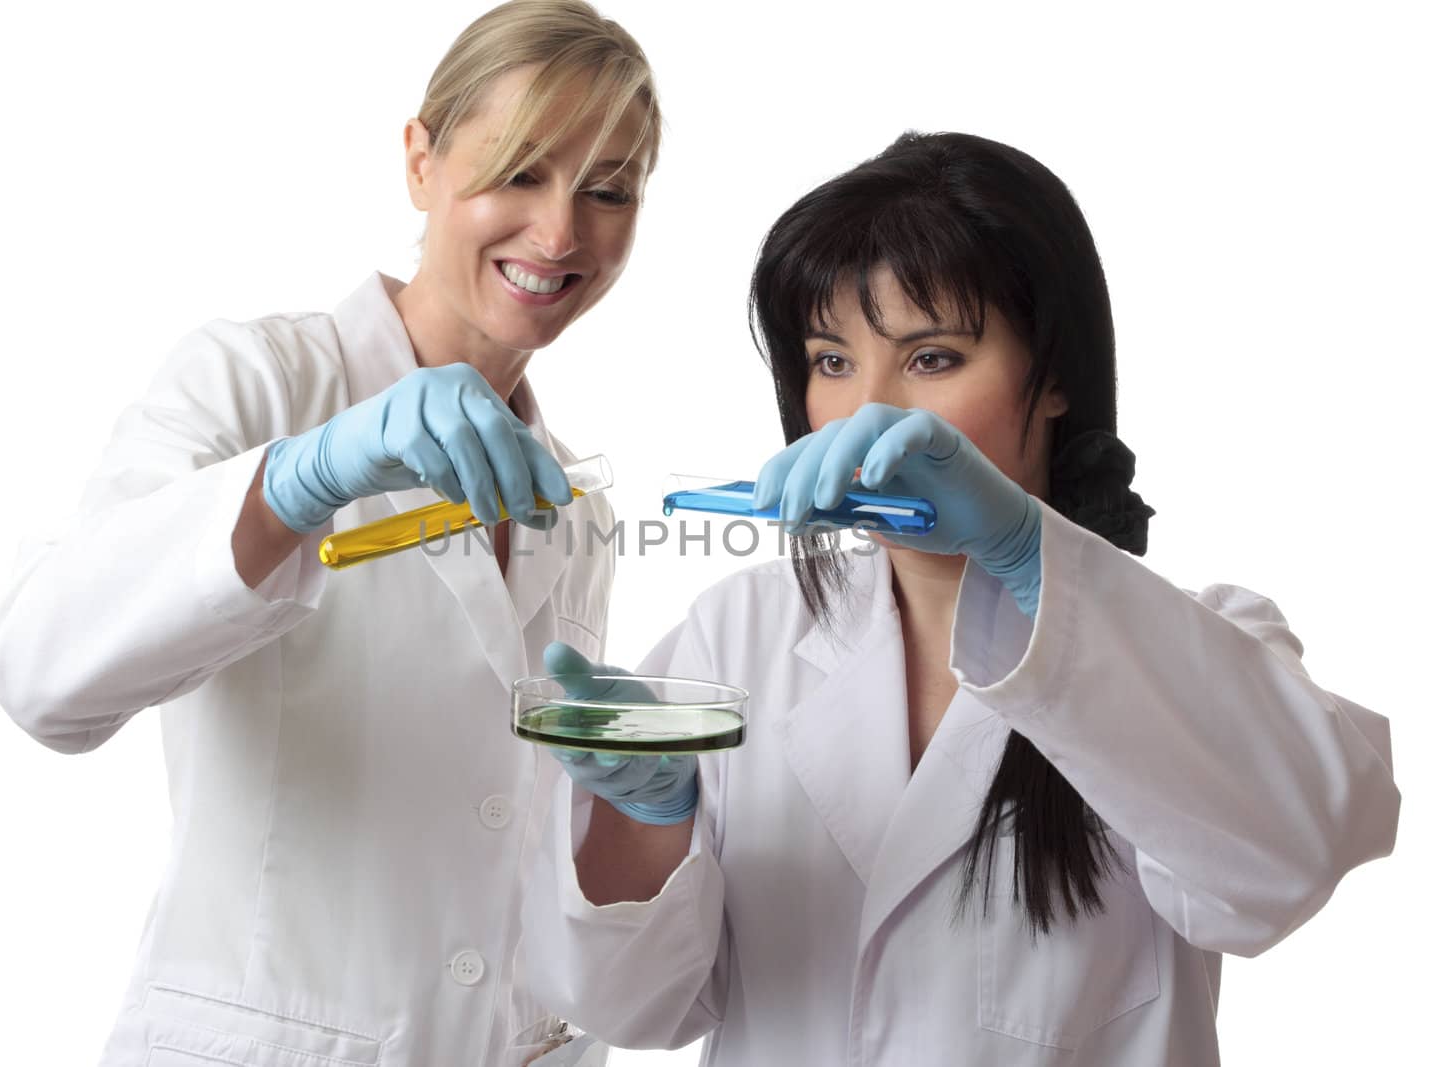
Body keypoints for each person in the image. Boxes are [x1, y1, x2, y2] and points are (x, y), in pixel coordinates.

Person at [520, 132, 1400, 1065]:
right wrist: (644, 823)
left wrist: (1025, 554)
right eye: (831, 360)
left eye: (932, 358)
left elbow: (1289, 864)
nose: (869, 414)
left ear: (1054, 377)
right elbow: (628, 1008)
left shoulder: (1199, 645)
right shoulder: (738, 636)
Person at [0, 3, 659, 1064]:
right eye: (521, 171)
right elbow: (39, 673)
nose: (562, 232)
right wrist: (300, 478)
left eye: (608, 189)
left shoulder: (574, 505)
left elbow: (504, 845)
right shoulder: (254, 381)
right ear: (419, 160)